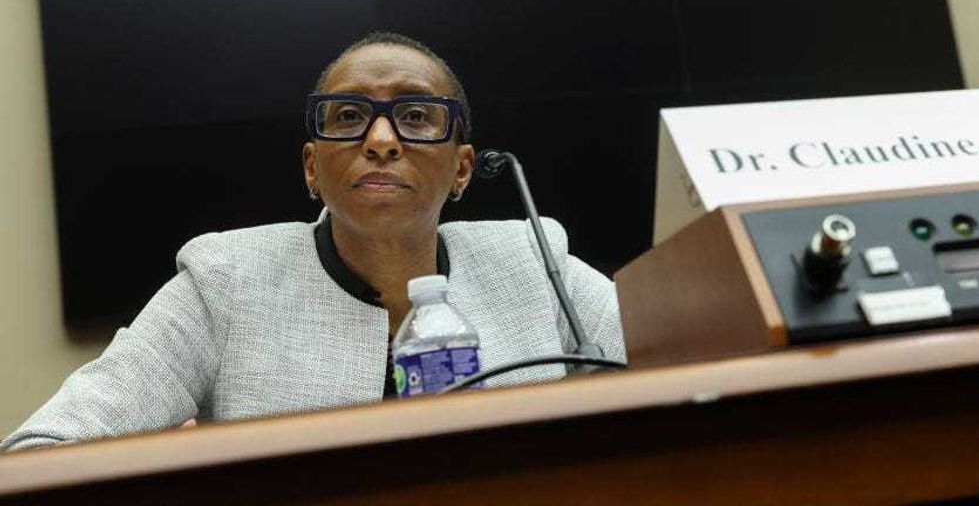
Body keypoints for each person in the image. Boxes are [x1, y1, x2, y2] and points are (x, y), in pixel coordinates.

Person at [2, 32, 626, 451]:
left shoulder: (535, 263)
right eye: (349, 116)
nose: (381, 140)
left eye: (415, 115)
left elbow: (693, 373)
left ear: (462, 168)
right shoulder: (225, 283)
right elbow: (41, 453)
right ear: (311, 166)